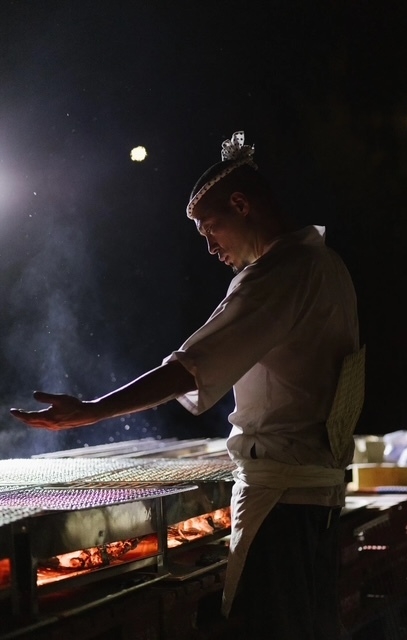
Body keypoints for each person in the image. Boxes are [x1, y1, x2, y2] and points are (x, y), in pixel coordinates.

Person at [11, 131, 365, 640]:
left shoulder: (278, 275)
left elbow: (190, 368)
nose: (210, 246)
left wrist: (91, 411)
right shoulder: (327, 264)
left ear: (241, 204)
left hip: (283, 504)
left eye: (210, 228)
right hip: (318, 497)